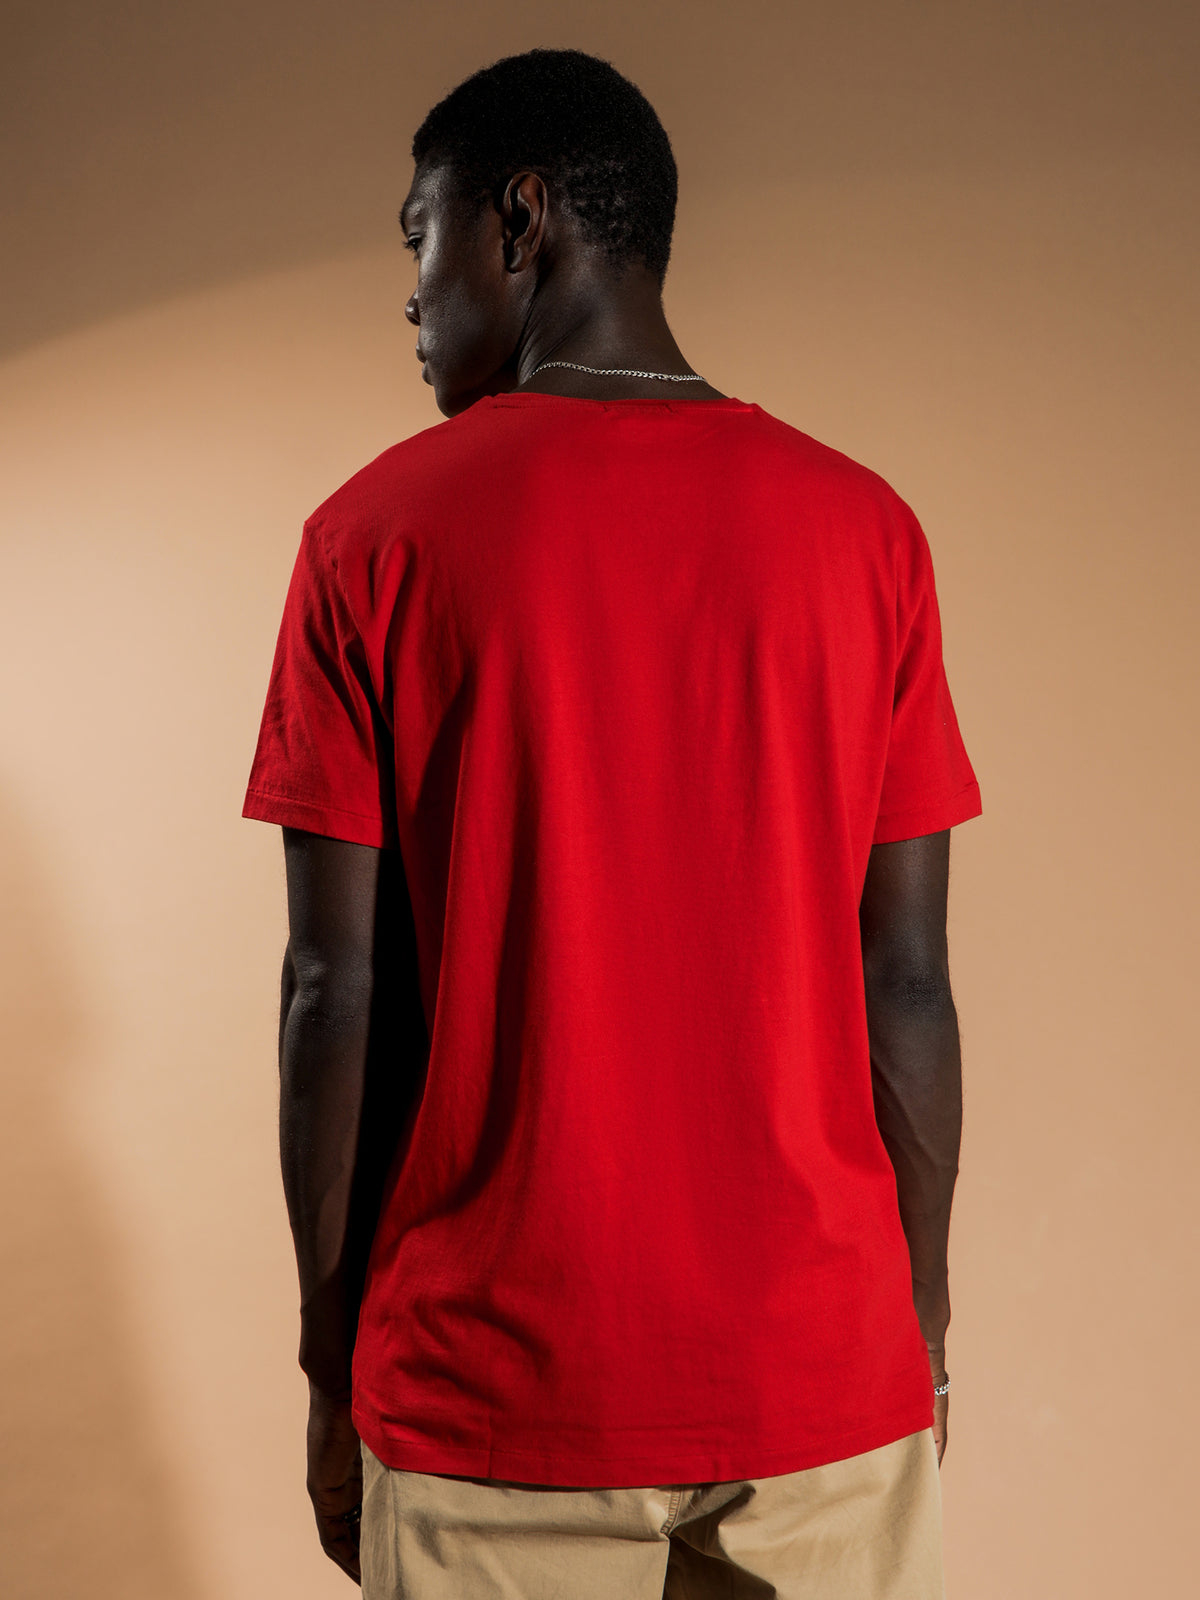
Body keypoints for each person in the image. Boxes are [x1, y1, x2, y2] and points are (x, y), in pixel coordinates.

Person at [241, 46, 982, 1600]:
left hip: (492, 1390)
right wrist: (913, 1325)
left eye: (419, 238)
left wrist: (328, 1362)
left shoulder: (370, 540)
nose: (409, 299)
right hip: (820, 1377)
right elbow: (906, 978)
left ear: (519, 222)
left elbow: (336, 991)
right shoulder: (868, 533)